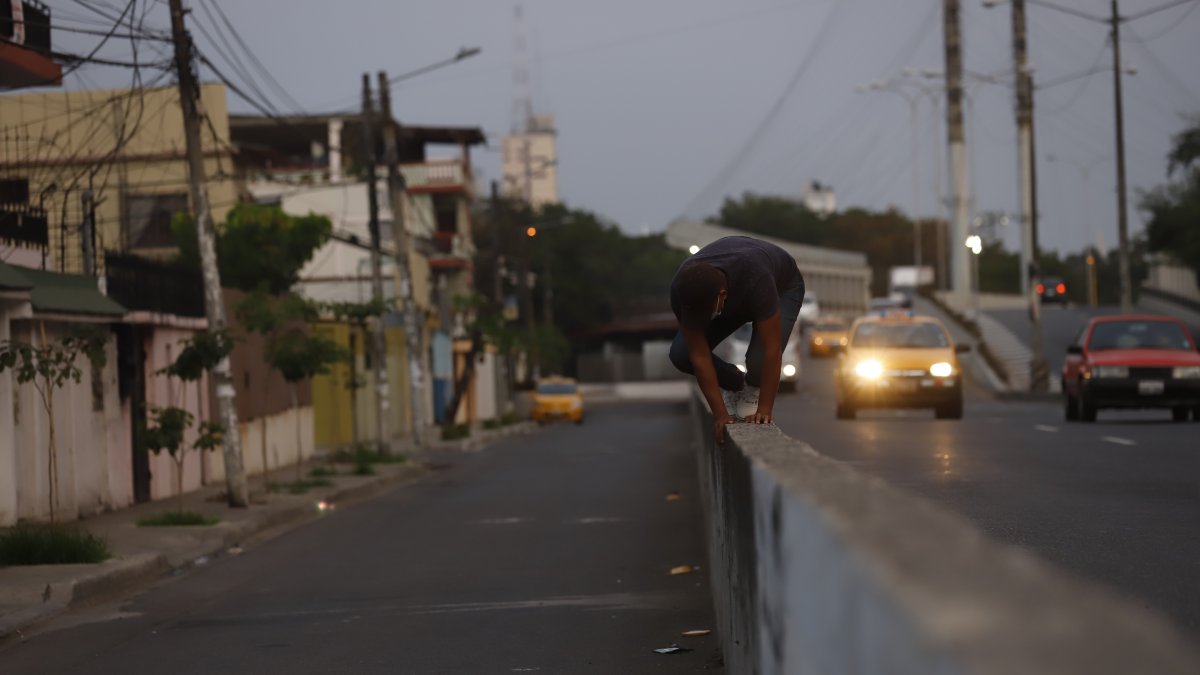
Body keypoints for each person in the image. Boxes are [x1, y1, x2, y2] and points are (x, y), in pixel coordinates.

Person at [669, 236, 805, 443]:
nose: (701, 320)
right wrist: (720, 414)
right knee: (681, 355)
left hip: (782, 287)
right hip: (735, 294)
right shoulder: (683, 289)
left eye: (704, 314)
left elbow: (772, 349)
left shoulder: (756, 278)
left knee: (758, 361)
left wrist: (765, 409)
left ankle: (751, 387)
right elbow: (698, 355)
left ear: (722, 296)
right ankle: (736, 385)